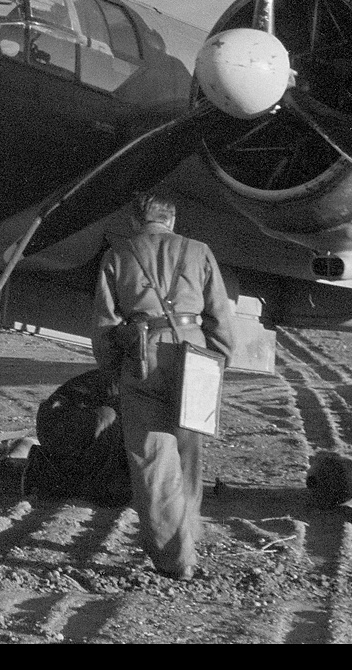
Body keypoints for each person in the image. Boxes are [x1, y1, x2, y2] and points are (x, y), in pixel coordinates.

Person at [93, 192, 235, 580]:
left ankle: (176, 559)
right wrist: (219, 361)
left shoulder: (118, 254)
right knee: (189, 452)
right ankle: (189, 534)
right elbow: (220, 313)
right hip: (195, 352)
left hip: (143, 356)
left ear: (136, 222)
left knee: (152, 460)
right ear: (171, 221)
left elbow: (105, 324)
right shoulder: (199, 251)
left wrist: (109, 371)